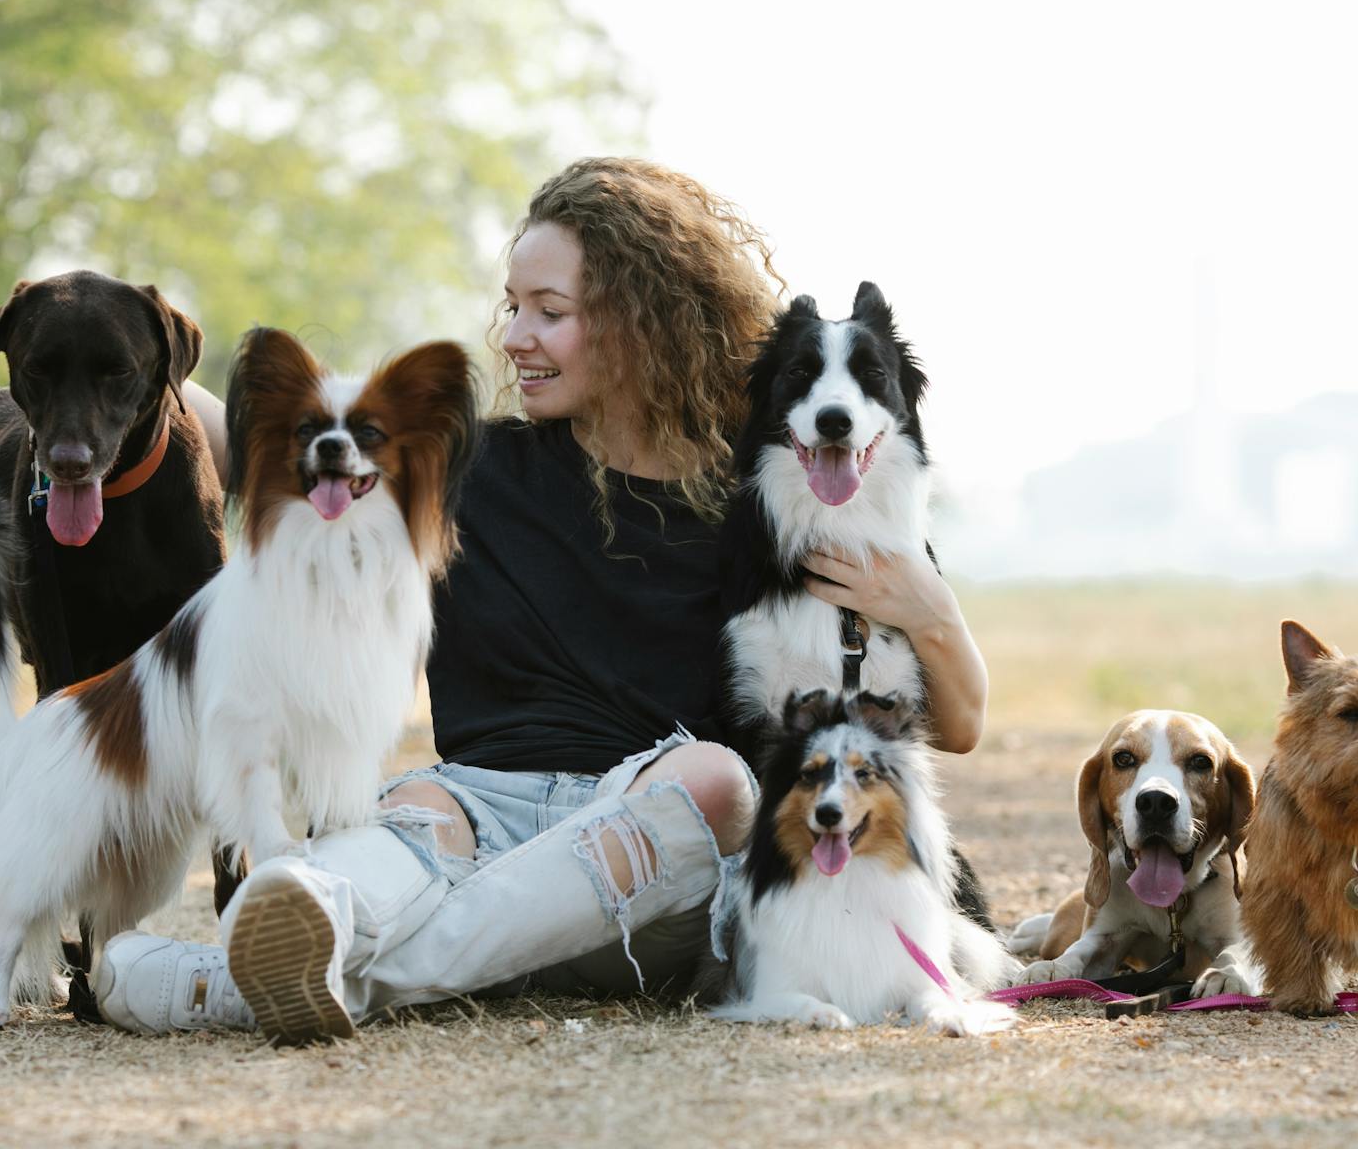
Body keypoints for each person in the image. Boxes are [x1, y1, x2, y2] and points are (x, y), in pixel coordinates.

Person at [93, 157, 990, 1041]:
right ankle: (307, 928)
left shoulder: (768, 506)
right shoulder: (468, 469)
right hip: (478, 815)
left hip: (646, 866)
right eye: (513, 307)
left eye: (549, 313)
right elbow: (255, 435)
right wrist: (110, 366)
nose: (516, 335)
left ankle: (244, 987)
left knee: (716, 779)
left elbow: (953, 725)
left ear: (644, 325)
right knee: (416, 811)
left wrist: (931, 610)